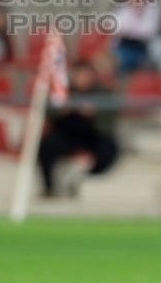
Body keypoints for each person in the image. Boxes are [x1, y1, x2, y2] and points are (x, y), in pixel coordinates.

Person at [37, 61, 119, 197]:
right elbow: (48, 111)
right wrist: (63, 110)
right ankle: (49, 188)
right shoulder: (62, 91)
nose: (82, 78)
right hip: (66, 134)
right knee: (46, 145)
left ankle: (84, 178)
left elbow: (111, 118)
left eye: (85, 74)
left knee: (109, 147)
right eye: (79, 74)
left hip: (92, 134)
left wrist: (93, 113)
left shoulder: (101, 92)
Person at [111, 0, 160, 74]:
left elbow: (149, 31)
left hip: (146, 46)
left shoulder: (154, 7)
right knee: (117, 59)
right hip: (124, 44)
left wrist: (130, 30)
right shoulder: (120, 7)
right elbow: (116, 28)